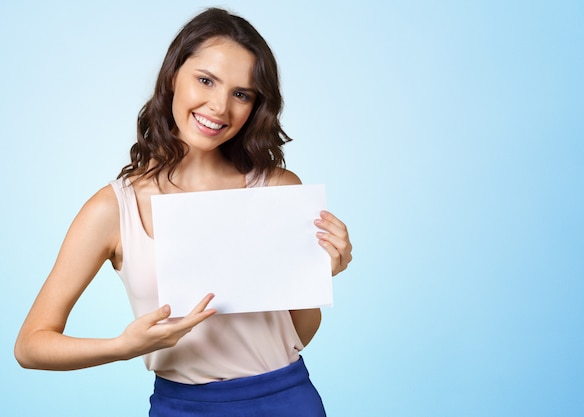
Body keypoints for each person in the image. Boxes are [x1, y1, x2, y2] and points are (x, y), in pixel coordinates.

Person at [14, 7, 352, 417]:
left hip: (286, 399)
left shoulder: (278, 188)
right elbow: (30, 345)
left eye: (241, 93)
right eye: (205, 80)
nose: (219, 107)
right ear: (174, 75)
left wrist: (317, 273)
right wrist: (125, 346)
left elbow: (299, 331)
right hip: (182, 406)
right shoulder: (114, 208)